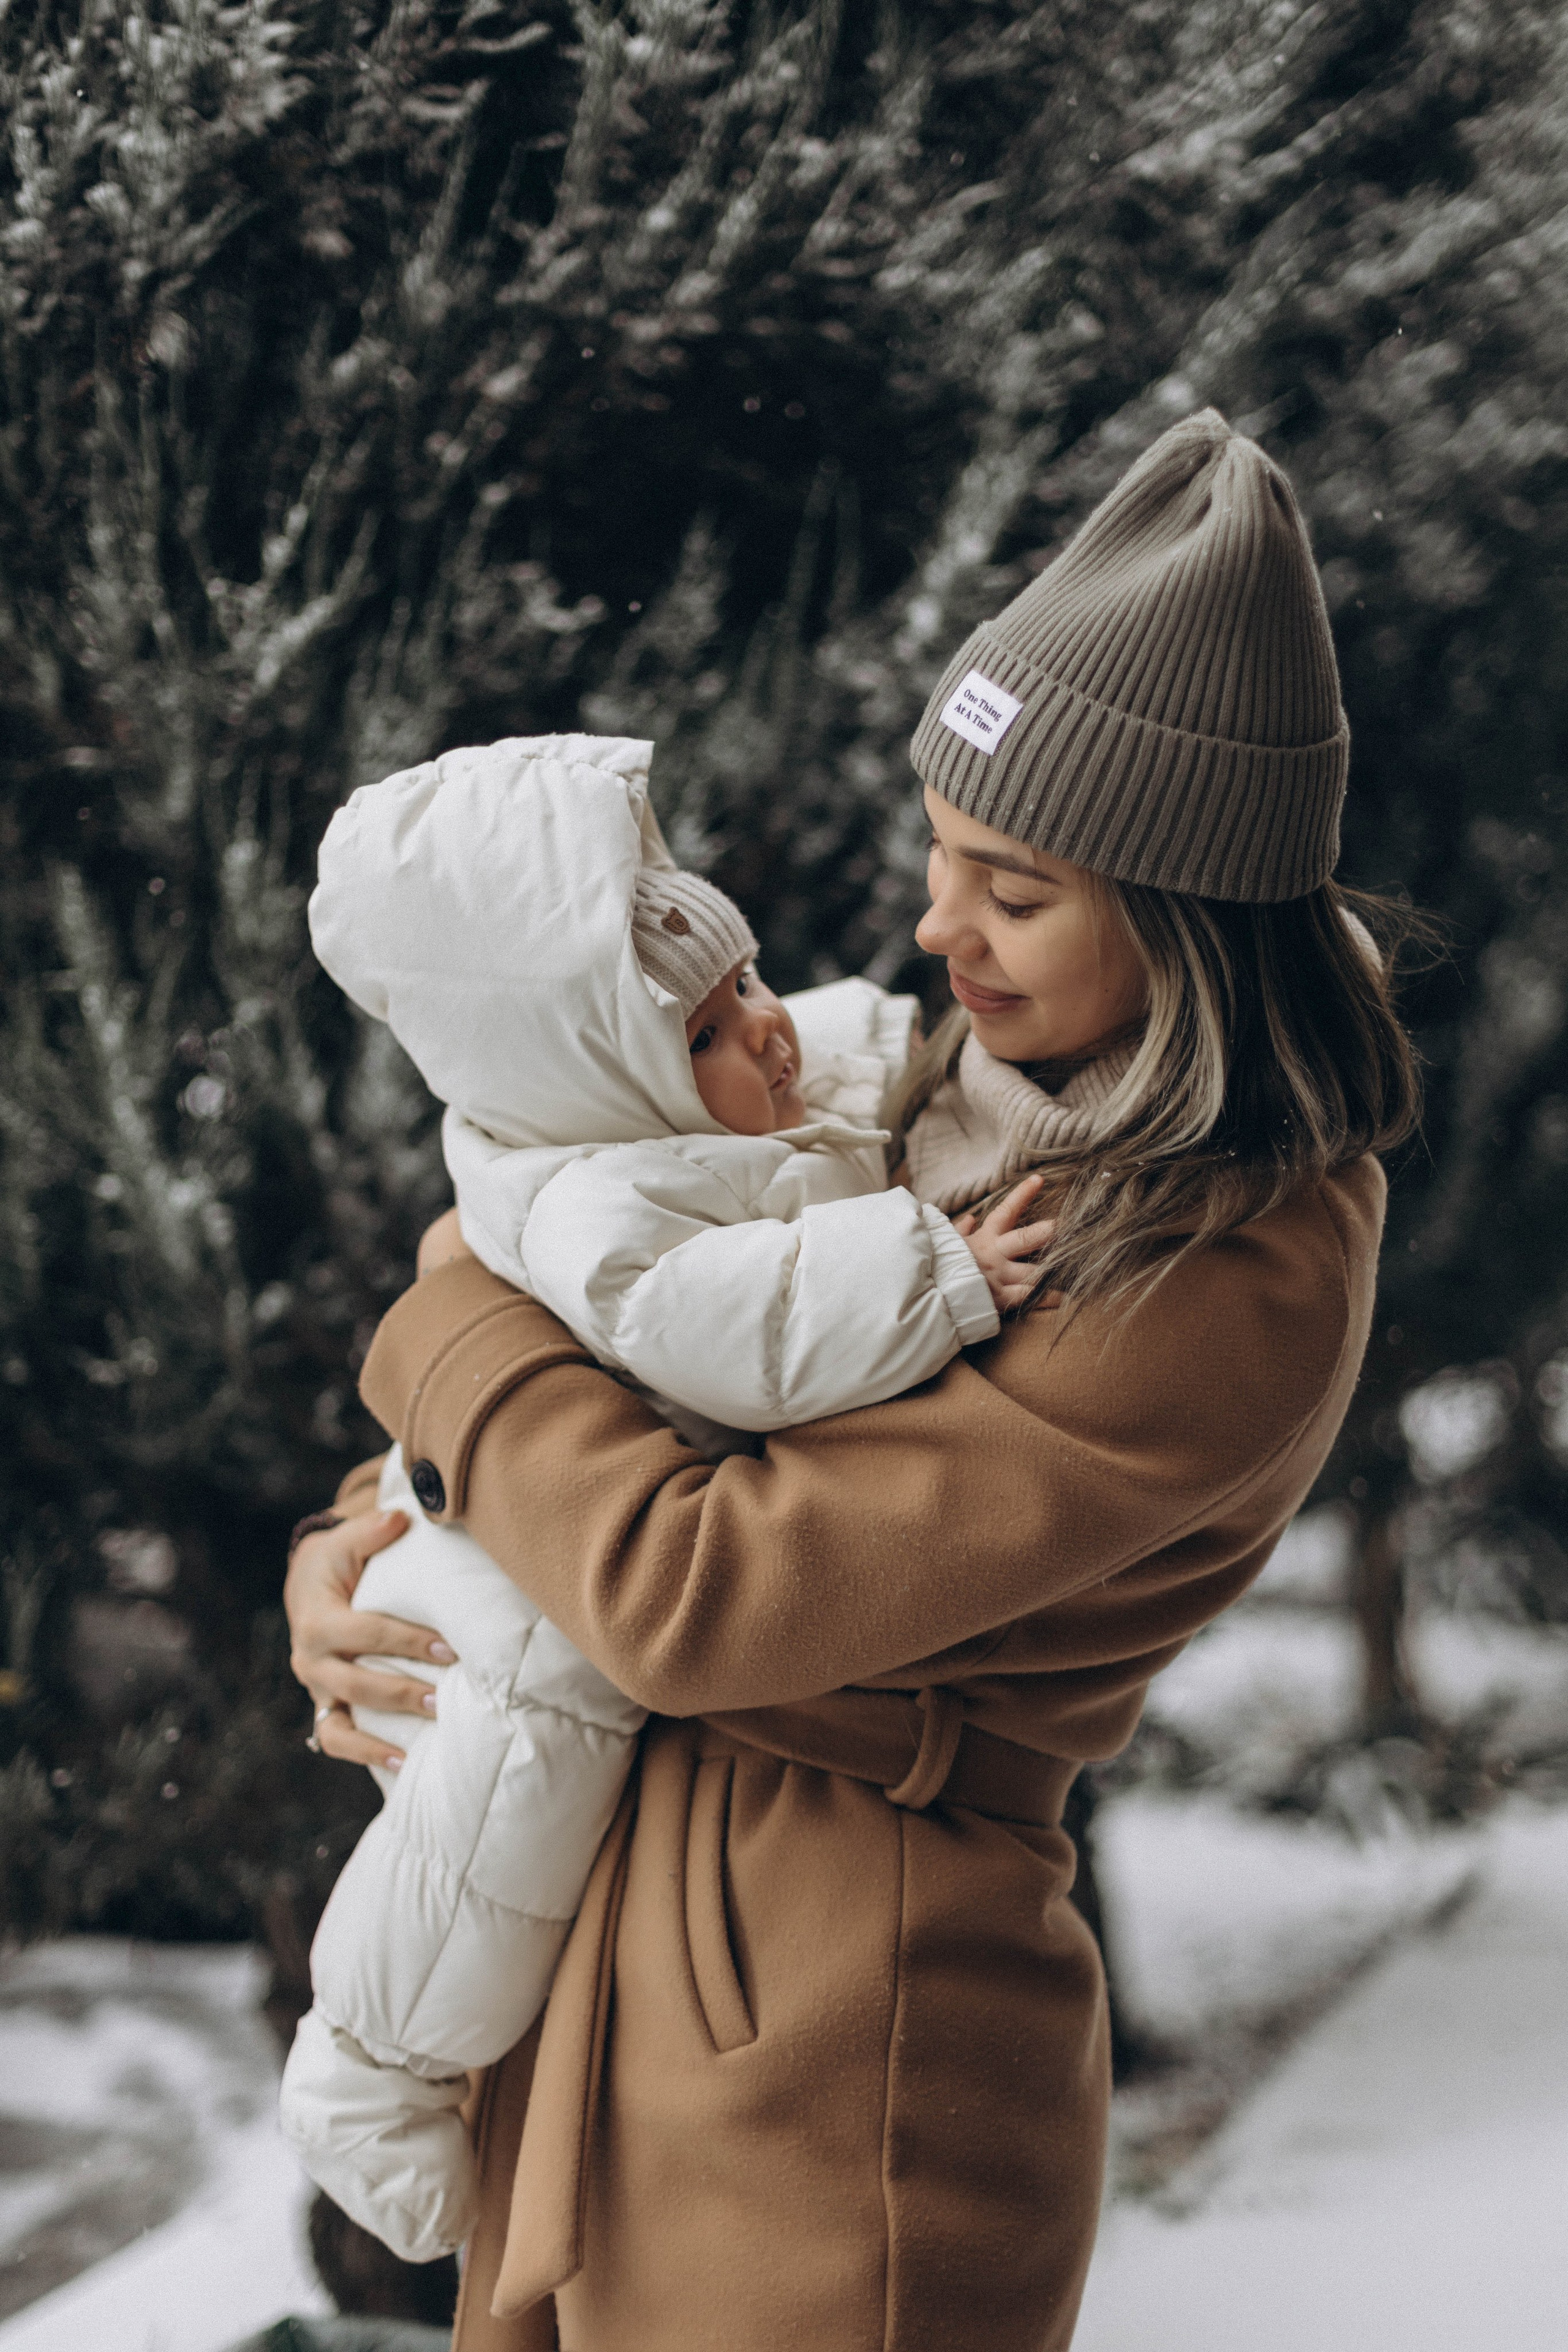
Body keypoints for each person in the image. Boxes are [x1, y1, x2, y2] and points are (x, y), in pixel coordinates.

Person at [286, 410, 1420, 2352]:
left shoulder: (1229, 1258)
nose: (933, 921)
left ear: (1188, 917)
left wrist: (448, 1325)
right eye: (943, 853)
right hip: (642, 1941)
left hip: (841, 2015)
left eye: (1015, 887)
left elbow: (695, 1589)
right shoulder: (937, 1082)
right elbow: (655, 1294)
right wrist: (372, 1543)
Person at [281, 732, 1047, 2263]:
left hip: (542, 1509)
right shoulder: (597, 1198)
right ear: (608, 1074)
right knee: (508, 1777)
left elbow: (810, 1067)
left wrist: (889, 1037)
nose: (761, 1035)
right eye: (707, 1029)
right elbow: (744, 1341)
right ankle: (373, 2058)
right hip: (506, 1584)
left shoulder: (685, 1109)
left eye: (749, 983)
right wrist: (935, 1267)